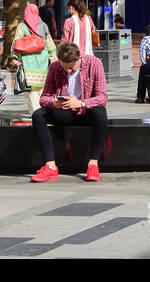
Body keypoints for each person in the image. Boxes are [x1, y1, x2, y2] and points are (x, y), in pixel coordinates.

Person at [29, 41, 109, 182]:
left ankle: (93, 164)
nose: (68, 71)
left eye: (71, 68)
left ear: (79, 59)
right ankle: (50, 166)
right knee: (38, 115)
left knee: (101, 113)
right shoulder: (54, 67)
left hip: (86, 112)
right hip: (64, 111)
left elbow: (102, 97)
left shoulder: (94, 63)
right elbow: (44, 98)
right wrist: (54, 102)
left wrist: (81, 103)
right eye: (64, 67)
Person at [13, 1, 57, 98]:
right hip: (43, 62)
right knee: (41, 89)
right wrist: (54, 59)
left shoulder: (22, 26)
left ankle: (34, 112)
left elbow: (16, 43)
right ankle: (41, 110)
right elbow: (50, 44)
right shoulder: (43, 26)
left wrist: (14, 58)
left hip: (28, 62)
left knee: (30, 92)